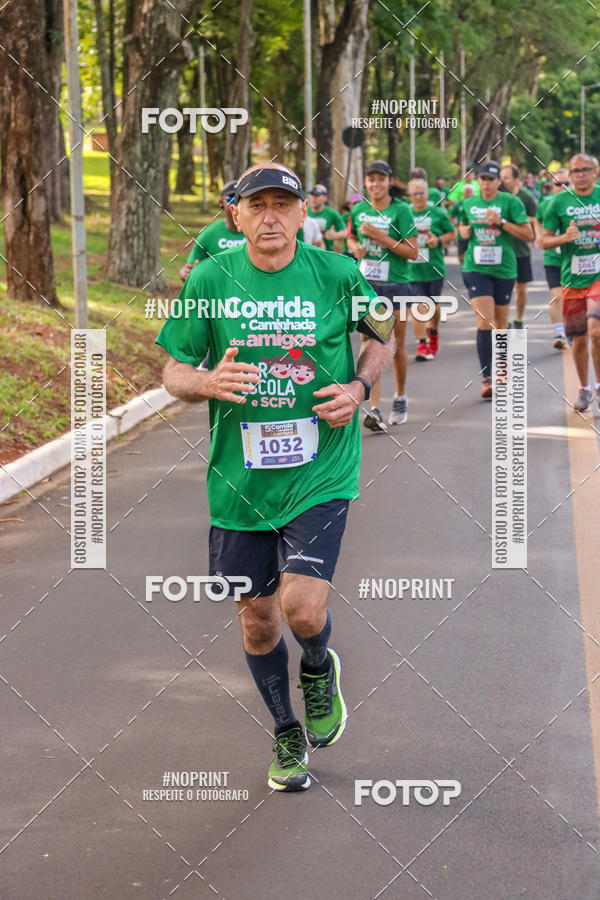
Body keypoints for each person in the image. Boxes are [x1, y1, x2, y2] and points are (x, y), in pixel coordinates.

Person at [156, 162, 393, 792]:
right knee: (258, 618)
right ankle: (286, 732)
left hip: (323, 468)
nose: (270, 217)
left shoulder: (337, 275)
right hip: (239, 481)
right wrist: (206, 381)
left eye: (282, 205)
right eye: (256, 204)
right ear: (234, 214)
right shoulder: (210, 278)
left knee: (301, 606)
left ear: (301, 214)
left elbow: (380, 336)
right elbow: (173, 369)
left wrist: (359, 384)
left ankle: (318, 664)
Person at [347, 159, 418, 429]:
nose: (375, 184)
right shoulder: (358, 210)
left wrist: (381, 237)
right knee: (372, 342)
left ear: (389, 181)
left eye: (381, 179)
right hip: (368, 286)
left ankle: (400, 395)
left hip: (396, 284)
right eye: (371, 179)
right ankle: (374, 409)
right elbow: (350, 237)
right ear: (365, 183)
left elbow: (412, 251)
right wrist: (355, 247)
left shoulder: (402, 211)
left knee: (395, 344)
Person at [459, 161, 533, 399]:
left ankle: (502, 366)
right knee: (485, 321)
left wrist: (500, 222)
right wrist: (463, 233)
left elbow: (528, 234)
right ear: (477, 180)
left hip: (504, 269)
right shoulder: (469, 203)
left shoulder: (511, 202)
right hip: (476, 268)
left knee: (501, 322)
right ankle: (487, 377)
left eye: (491, 179)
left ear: (498, 181)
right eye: (483, 179)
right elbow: (462, 228)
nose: (486, 183)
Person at [540, 153, 600, 412]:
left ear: (595, 172)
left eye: (585, 169)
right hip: (573, 278)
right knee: (579, 339)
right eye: (575, 171)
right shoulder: (558, 203)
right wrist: (564, 238)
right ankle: (584, 389)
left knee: (596, 333)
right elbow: (543, 240)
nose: (580, 174)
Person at [406, 178, 456, 359]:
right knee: (418, 306)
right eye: (414, 193)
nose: (418, 197)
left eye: (421, 193)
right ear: (409, 196)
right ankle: (421, 344)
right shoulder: (405, 214)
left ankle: (433, 332)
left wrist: (439, 241)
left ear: (427, 194)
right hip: (412, 270)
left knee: (433, 307)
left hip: (434, 267)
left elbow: (452, 233)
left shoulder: (437, 213)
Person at [179, 181, 246, 281]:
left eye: (241, 200)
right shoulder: (208, 235)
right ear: (221, 203)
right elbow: (190, 270)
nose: (237, 205)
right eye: (232, 199)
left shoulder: (259, 232)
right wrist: (184, 273)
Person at [533, 168, 570, 350]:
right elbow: (537, 220)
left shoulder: (579, 204)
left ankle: (573, 329)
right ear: (552, 186)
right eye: (558, 184)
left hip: (575, 258)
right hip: (552, 257)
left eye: (566, 184)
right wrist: (540, 237)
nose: (562, 187)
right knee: (556, 296)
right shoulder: (546, 204)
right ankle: (560, 334)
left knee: (572, 297)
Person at [499, 164, 538, 328]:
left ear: (516, 180)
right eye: (501, 178)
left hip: (521, 250)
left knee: (521, 288)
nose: (503, 181)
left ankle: (518, 319)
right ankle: (504, 319)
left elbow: (536, 220)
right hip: (501, 250)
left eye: (506, 177)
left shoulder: (527, 197)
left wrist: (518, 219)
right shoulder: (498, 196)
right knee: (503, 288)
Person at [307, 184, 348, 251]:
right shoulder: (303, 211)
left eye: (317, 195)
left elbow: (346, 232)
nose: (313, 197)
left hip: (325, 254)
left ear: (325, 197)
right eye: (312, 194)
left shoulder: (332, 213)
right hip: (306, 253)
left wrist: (335, 235)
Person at [451, 183, 474, 265]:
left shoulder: (476, 203)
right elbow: (451, 216)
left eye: (469, 192)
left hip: (473, 234)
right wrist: (456, 226)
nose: (467, 194)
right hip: (462, 234)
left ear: (473, 193)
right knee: (461, 257)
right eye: (466, 192)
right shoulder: (459, 204)